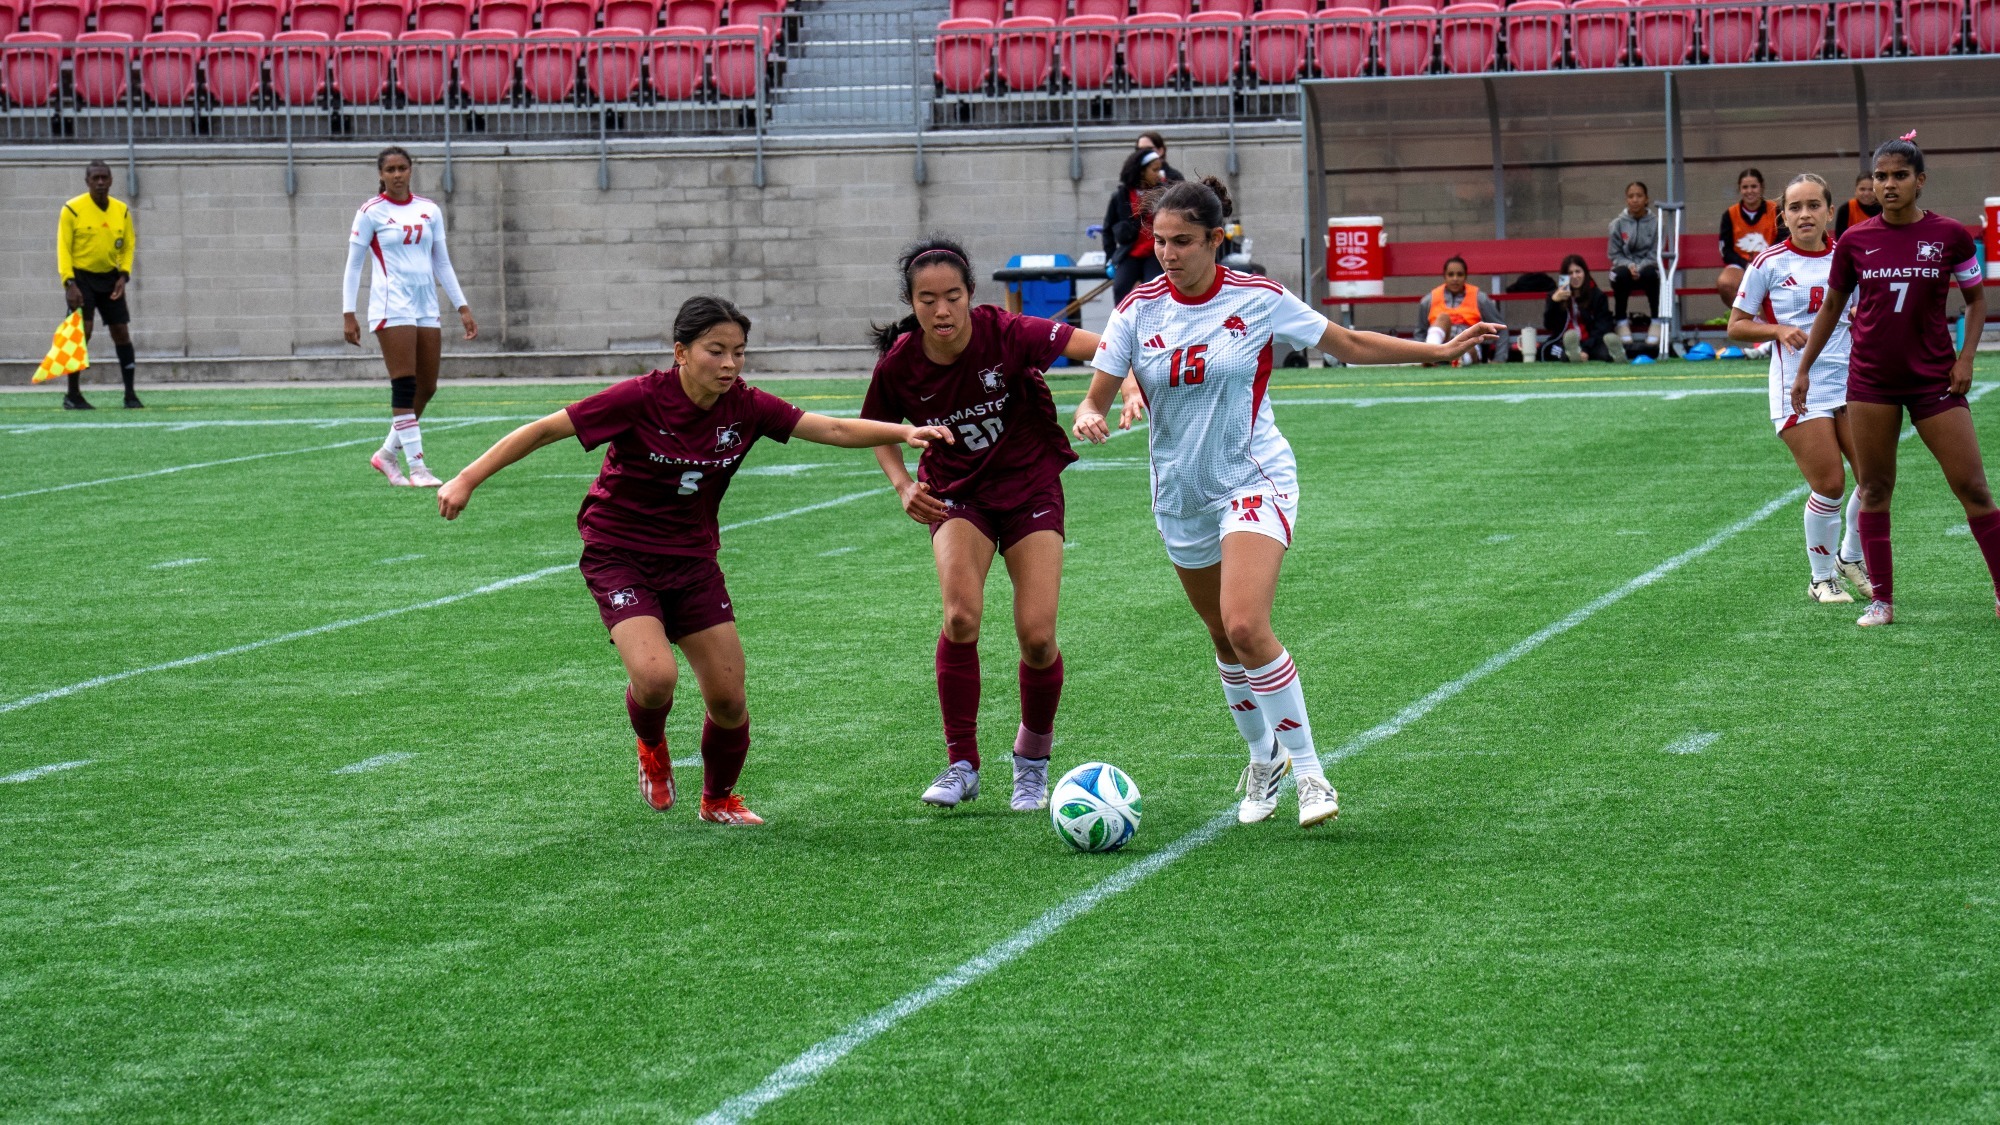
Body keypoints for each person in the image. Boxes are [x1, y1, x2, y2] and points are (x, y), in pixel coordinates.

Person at [1074, 177, 1496, 829]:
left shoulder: (1259, 299)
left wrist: (1434, 352)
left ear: (1216, 239)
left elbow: (1347, 343)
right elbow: (1096, 394)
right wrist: (1090, 413)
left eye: (1182, 241)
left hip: (1253, 478)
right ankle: (1262, 757)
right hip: (1180, 493)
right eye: (1159, 241)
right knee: (1222, 637)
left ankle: (1310, 773)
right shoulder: (1136, 309)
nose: (1167, 254)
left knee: (1245, 624)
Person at [437, 296, 952, 824]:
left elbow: (833, 429)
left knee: (729, 699)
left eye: (739, 352)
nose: (730, 364)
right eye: (716, 351)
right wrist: (467, 478)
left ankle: (718, 800)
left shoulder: (747, 406)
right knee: (656, 678)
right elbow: (545, 429)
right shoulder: (639, 398)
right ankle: (651, 744)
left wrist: (902, 432)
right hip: (619, 554)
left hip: (692, 562)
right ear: (681, 352)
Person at [862, 238, 1105, 812]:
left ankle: (1032, 763)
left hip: (1029, 487)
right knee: (960, 616)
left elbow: (1103, 347)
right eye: (927, 300)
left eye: (952, 296)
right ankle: (962, 765)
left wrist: (1121, 387)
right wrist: (903, 485)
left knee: (1037, 636)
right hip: (956, 494)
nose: (941, 309)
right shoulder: (900, 363)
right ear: (911, 303)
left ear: (971, 294)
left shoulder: (1008, 332)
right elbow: (877, 427)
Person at [1796, 132, 2000, 627]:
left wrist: (1966, 359)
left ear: (1920, 180)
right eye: (1880, 176)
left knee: (1973, 487)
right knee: (1875, 488)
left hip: (1935, 381)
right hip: (1871, 383)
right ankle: (1882, 601)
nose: (1888, 185)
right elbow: (1832, 307)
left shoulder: (1950, 235)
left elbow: (1976, 301)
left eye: (1899, 176)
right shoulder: (1854, 240)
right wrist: (1803, 369)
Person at [1727, 172, 1872, 604]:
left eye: (1813, 205)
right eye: (1795, 207)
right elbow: (1736, 326)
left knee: (1875, 480)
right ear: (1783, 216)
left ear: (1830, 212)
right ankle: (1820, 579)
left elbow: (1862, 312)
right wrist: (1776, 329)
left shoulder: (1849, 257)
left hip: (1851, 382)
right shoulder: (1768, 262)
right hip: (1797, 387)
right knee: (1830, 483)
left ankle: (1850, 557)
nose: (1805, 214)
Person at [343, 145, 478, 490]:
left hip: (425, 304)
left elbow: (441, 261)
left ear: (411, 170)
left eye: (402, 168)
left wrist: (462, 306)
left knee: (427, 387)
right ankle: (418, 468)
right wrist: (348, 313)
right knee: (404, 385)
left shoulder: (429, 210)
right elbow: (354, 265)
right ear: (381, 174)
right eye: (390, 170)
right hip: (392, 304)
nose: (397, 174)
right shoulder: (371, 212)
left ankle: (387, 454)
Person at [57, 160, 141, 410]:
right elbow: (63, 248)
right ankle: (73, 395)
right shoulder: (72, 209)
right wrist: (69, 282)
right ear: (88, 182)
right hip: (81, 278)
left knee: (121, 332)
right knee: (82, 332)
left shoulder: (121, 210)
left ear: (111, 180)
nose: (101, 182)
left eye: (105, 177)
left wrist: (123, 275)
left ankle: (130, 394)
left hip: (110, 278)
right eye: (96, 178)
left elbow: (128, 245)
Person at [1416, 255, 1506, 364]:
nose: (1455, 278)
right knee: (1443, 318)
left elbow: (1500, 328)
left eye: (1459, 274)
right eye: (1451, 274)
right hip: (1441, 347)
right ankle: (1429, 357)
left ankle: (1460, 359)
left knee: (1468, 343)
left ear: (1465, 276)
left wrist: (1499, 359)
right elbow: (1420, 333)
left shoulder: (1480, 298)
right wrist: (1416, 357)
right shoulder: (1428, 300)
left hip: (1469, 345)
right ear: (1444, 276)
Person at [1104, 149, 1166, 303]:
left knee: (1155, 290)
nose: (1158, 174)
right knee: (1120, 288)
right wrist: (1110, 258)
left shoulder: (1163, 193)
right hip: (1130, 253)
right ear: (1141, 171)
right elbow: (1108, 229)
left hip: (1154, 252)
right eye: (1154, 170)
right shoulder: (1120, 196)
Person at [1717, 167, 1784, 308]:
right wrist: (1745, 264)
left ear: (1762, 187)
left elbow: (1783, 241)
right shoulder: (1730, 214)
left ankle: (1766, 318)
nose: (1749, 191)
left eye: (1754, 186)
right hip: (1740, 265)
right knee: (1725, 283)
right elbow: (1726, 251)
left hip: (1771, 263)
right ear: (1739, 189)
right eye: (1745, 187)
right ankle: (1746, 317)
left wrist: (1763, 261)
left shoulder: (1776, 210)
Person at [1608, 180, 1661, 350]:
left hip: (1647, 268)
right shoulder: (1617, 224)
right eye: (1631, 196)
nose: (1635, 200)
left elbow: (1655, 253)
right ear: (1626, 200)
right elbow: (1614, 254)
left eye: (1639, 196)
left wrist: (1639, 268)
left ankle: (1656, 321)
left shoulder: (1657, 223)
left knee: (1653, 274)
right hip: (1624, 268)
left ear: (1646, 199)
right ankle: (1621, 322)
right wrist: (1630, 265)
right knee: (1620, 275)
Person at [1541, 254, 1625, 363]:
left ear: (1585, 273)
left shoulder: (1597, 296)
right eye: (1570, 273)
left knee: (1603, 352)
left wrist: (1585, 349)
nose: (1575, 276)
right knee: (1553, 351)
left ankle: (1616, 353)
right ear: (1564, 277)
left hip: (1591, 342)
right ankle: (1572, 353)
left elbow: (1602, 327)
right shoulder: (1554, 296)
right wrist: (1554, 302)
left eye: (1578, 271)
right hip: (1564, 342)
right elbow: (1549, 325)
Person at [1834, 172, 1881, 237]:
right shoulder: (1846, 209)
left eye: (1871, 189)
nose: (1866, 193)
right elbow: (1840, 239)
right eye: (1862, 189)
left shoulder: (1885, 209)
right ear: (1856, 190)